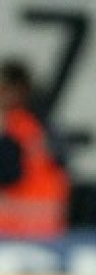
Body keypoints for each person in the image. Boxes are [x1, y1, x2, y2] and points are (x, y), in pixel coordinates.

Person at [0, 58, 70, 239]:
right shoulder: (44, 125)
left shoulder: (14, 126)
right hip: (48, 229)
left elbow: (9, 175)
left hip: (12, 230)